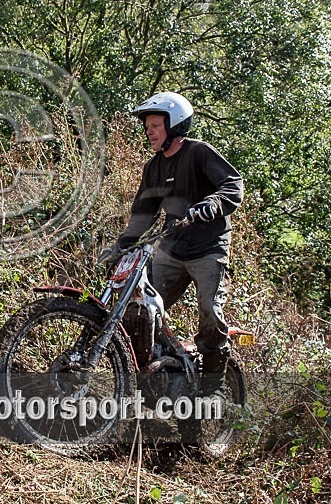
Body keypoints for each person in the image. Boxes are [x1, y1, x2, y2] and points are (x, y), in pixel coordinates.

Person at [98, 91, 244, 396]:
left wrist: (213, 204)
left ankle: (214, 387)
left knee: (210, 310)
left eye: (155, 125)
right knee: (139, 308)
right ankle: (157, 373)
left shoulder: (199, 153)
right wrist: (121, 246)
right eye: (147, 126)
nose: (148, 131)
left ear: (175, 124)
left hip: (208, 247)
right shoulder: (153, 169)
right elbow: (143, 214)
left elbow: (233, 184)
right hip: (172, 249)